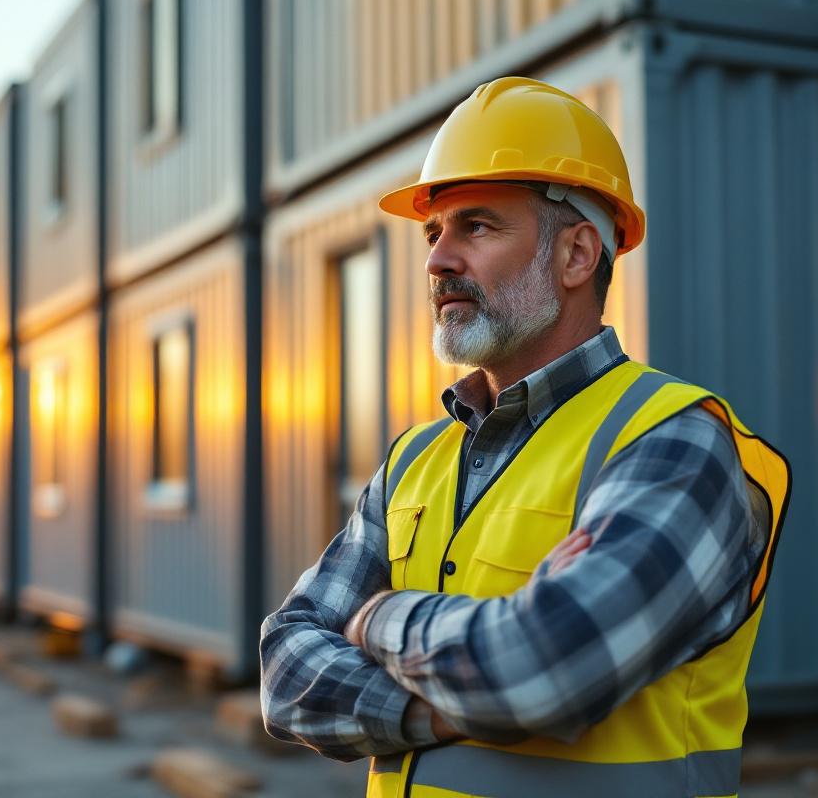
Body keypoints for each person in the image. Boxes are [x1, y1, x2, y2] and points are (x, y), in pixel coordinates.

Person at [258, 76, 791, 798]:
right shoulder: (414, 460)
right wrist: (445, 702)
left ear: (576, 256)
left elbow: (546, 671)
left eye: (476, 226)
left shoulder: (675, 443)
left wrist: (374, 617)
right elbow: (285, 673)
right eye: (433, 232)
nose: (437, 261)